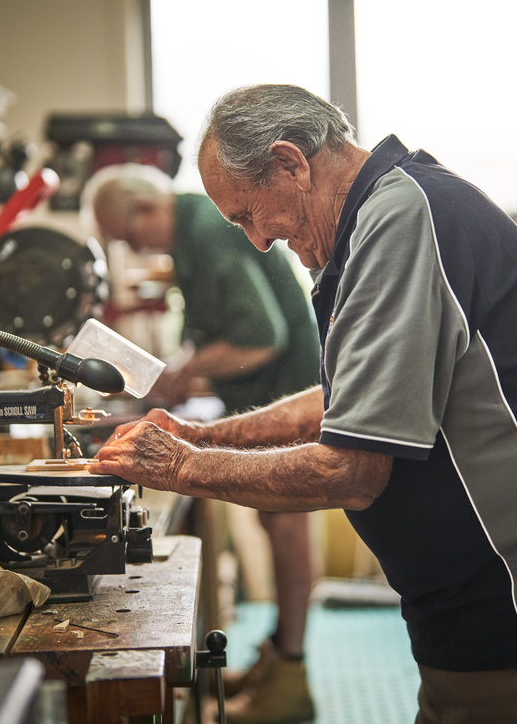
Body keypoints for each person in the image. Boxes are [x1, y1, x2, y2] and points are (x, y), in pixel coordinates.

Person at [89, 84, 517, 724]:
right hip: (479, 605)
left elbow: (352, 469)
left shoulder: (399, 220)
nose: (258, 241)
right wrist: (201, 439)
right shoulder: (375, 223)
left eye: (250, 215)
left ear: (292, 164)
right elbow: (353, 397)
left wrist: (178, 468)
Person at [83, 161, 320, 724]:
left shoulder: (207, 230)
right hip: (270, 391)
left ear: (145, 210)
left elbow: (260, 337)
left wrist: (180, 376)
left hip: (289, 393)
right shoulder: (192, 235)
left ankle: (292, 671)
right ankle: (280, 657)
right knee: (273, 523)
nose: (134, 248)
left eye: (127, 236)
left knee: (286, 526)